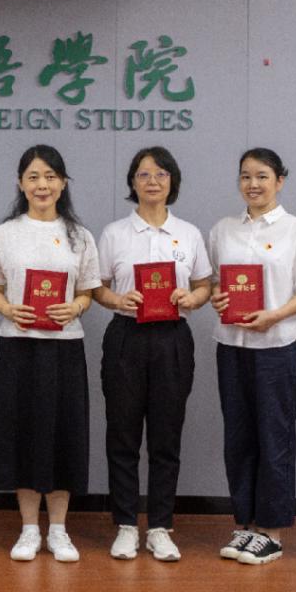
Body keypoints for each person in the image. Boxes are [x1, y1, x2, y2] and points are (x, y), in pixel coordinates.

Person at [0, 145, 100, 563]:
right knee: (22, 433)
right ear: (20, 183)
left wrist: (76, 307)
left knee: (64, 434)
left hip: (65, 349)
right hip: (18, 346)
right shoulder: (4, 234)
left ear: (63, 183)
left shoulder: (80, 235)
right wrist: (8, 309)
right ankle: (30, 529)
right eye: (33, 176)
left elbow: (87, 291)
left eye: (50, 176)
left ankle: (60, 530)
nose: (42, 184)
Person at [93, 146, 211, 562]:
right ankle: (126, 525)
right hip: (126, 337)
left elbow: (205, 285)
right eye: (144, 174)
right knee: (122, 435)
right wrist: (117, 300)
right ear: (132, 182)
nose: (153, 181)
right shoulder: (114, 234)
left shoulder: (189, 234)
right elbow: (96, 287)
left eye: (161, 174)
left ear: (172, 181)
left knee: (166, 437)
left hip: (172, 339)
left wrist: (192, 298)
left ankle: (161, 526)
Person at [207, 148, 296, 565]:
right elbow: (215, 283)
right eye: (245, 176)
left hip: (277, 347)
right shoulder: (222, 230)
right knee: (238, 438)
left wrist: (275, 314)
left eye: (261, 176)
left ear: (279, 181)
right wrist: (217, 297)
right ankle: (245, 525)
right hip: (231, 345)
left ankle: (270, 532)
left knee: (275, 438)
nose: (252, 184)